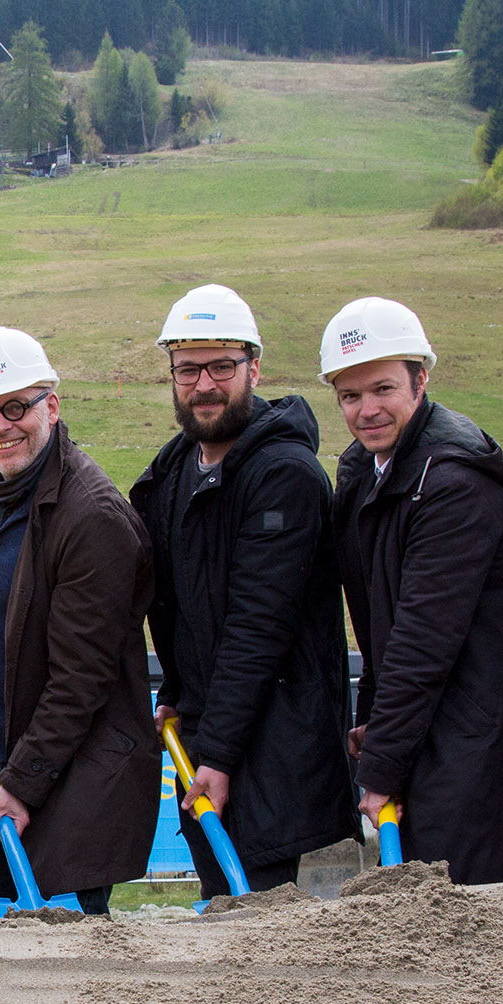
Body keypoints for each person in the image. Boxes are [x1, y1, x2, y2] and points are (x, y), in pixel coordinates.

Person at [128, 284, 357, 895]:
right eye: (188, 369)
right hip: (209, 743)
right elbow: (178, 603)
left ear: (254, 367)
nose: (204, 384)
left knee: (293, 938)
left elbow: (260, 625)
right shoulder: (173, 471)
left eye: (221, 366)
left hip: (283, 756)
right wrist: (177, 689)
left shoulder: (284, 474)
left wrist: (220, 755)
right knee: (224, 924)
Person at [325, 297, 503, 885]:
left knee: (477, 918)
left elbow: (423, 641)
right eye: (351, 396)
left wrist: (381, 767)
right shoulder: (365, 472)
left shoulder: (452, 485)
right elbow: (378, 625)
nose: (367, 410)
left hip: (477, 746)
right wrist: (376, 725)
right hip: (423, 736)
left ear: (421, 380)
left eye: (383, 389)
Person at [0, 328, 158, 914]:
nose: (1, 426)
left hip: (72, 791)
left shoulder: (92, 517)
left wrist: (22, 784)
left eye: (16, 406)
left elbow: (81, 679)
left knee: (66, 982)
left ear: (52, 405)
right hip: (7, 778)